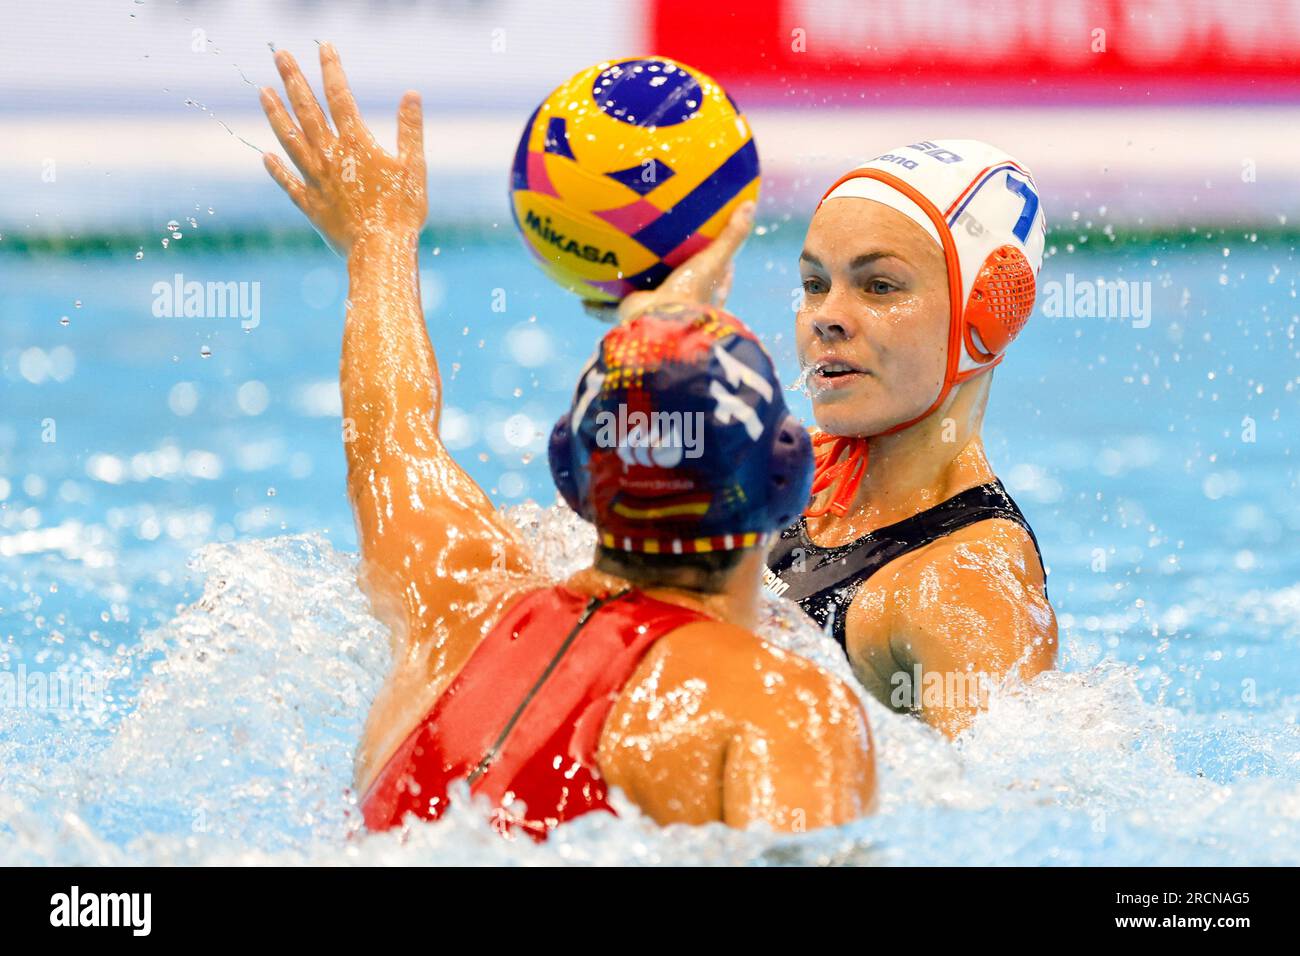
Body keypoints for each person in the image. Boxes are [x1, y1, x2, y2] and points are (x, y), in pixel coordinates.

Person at [257, 45, 875, 838]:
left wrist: (380, 239)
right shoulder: (777, 708)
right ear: (790, 477)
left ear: (571, 479)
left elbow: (390, 435)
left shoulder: (458, 598)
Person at [616, 141, 1058, 738]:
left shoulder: (960, 587)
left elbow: (1007, 817)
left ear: (985, 318)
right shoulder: (780, 468)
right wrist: (650, 349)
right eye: (815, 284)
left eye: (879, 286)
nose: (828, 315)